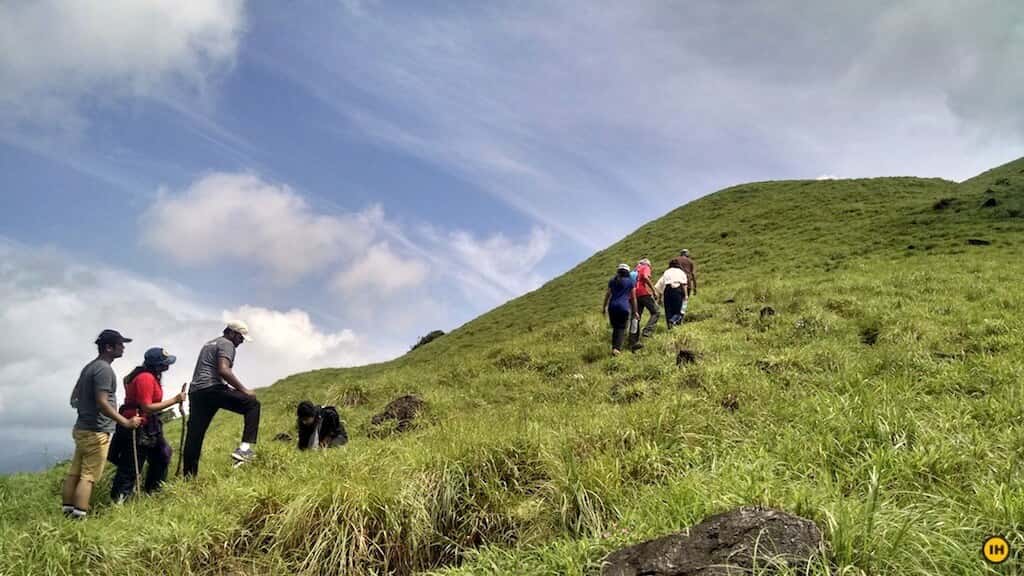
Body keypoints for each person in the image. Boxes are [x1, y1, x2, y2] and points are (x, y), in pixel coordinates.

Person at [62, 330, 142, 520]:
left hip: (82, 428)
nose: (123, 347)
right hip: (96, 431)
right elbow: (103, 402)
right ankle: (79, 517)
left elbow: (74, 397)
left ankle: (66, 512)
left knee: (75, 471)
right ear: (109, 347)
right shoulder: (104, 369)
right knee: (88, 476)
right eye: (120, 344)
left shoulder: (89, 367)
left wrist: (84, 410)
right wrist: (126, 422)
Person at [182, 321, 260, 477]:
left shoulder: (210, 343)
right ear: (231, 333)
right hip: (212, 389)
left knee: (195, 435)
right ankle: (244, 450)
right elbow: (224, 370)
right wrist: (244, 390)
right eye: (240, 337)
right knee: (252, 404)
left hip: (197, 392)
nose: (241, 341)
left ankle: (189, 477)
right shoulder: (227, 344)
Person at [110, 347, 186, 502]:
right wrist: (175, 400)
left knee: (162, 455)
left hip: (149, 426)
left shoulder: (146, 376)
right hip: (139, 426)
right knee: (131, 466)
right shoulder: (145, 378)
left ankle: (153, 492)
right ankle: (119, 501)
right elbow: (147, 407)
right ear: (157, 365)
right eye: (164, 363)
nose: (168, 366)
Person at [602, 263, 638, 355]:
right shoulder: (630, 282)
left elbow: (607, 294)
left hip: (612, 307)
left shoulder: (612, 281)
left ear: (618, 271)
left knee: (616, 328)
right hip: (624, 307)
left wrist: (604, 307)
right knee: (621, 328)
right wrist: (635, 311)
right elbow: (633, 298)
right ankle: (617, 349)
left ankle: (615, 347)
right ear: (627, 272)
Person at [631, 258, 660, 342]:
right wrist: (654, 290)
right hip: (643, 293)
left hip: (634, 295)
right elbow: (645, 276)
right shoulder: (645, 267)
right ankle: (647, 331)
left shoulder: (635, 270)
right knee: (656, 312)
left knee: (636, 317)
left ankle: (633, 340)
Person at [655, 261, 690, 328]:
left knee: (668, 310)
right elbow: (684, 284)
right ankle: (673, 321)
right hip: (677, 290)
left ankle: (669, 327)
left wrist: (660, 298)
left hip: (667, 290)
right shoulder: (680, 272)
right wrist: (686, 295)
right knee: (678, 311)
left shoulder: (666, 272)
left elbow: (660, 285)